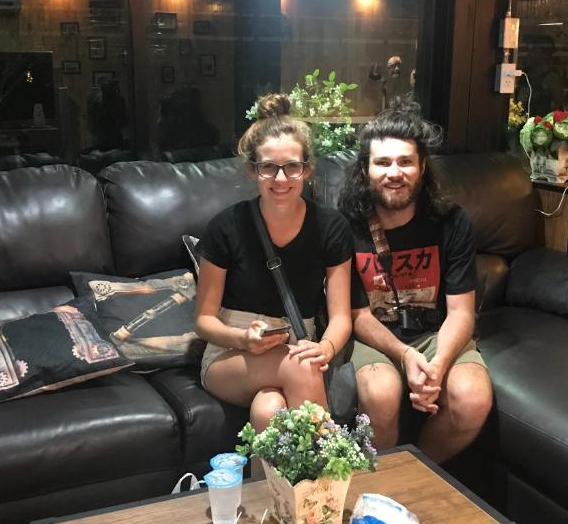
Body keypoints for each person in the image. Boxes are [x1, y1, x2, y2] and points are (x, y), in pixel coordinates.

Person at [337, 99, 492, 463]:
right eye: (382, 163)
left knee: (472, 398)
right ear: (365, 169)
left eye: (405, 161)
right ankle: (382, 480)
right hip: (374, 336)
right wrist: (405, 355)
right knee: (380, 392)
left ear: (422, 167)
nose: (395, 172)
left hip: (436, 334)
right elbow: (358, 316)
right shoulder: (345, 226)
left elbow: (461, 312)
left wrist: (437, 366)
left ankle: (415, 473)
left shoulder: (452, 221)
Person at [195, 94, 353, 431]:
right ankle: (332, 461)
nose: (280, 179)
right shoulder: (226, 227)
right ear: (253, 170)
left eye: (292, 166)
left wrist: (326, 348)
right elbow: (204, 321)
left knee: (269, 410)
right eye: (268, 167)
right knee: (301, 367)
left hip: (298, 343)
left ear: (307, 169)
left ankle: (267, 471)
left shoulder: (331, 226)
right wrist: (243, 339)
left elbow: (341, 317)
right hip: (230, 354)